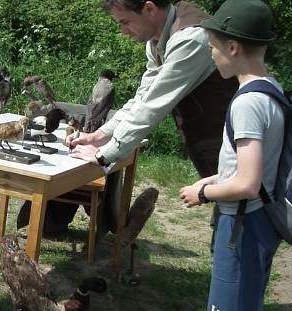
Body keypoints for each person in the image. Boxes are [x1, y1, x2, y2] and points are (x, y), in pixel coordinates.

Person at [172, 0, 283, 311]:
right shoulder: (272, 88)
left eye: (212, 45)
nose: (210, 52)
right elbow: (254, 169)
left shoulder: (246, 102)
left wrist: (203, 194)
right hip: (262, 220)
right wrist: (213, 179)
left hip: (241, 227)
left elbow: (247, 183)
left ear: (233, 46)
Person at [68, 0, 237, 179]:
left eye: (125, 22)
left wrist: (104, 155)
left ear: (149, 8)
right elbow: (143, 98)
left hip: (243, 148)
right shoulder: (158, 39)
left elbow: (153, 105)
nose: (123, 32)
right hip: (217, 147)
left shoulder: (189, 39)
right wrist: (100, 135)